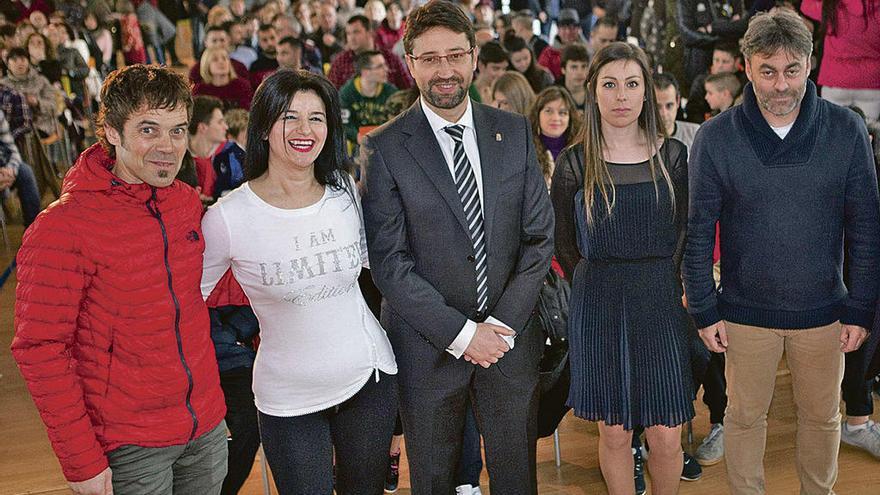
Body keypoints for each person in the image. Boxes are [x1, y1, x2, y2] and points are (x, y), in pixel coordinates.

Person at [682, 10, 880, 494]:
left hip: (826, 313)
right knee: (744, 419)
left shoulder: (847, 131)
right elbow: (698, 231)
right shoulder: (715, 138)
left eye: (792, 70)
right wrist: (705, 308)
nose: (780, 85)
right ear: (746, 66)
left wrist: (861, 307)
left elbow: (868, 231)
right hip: (744, 314)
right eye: (768, 71)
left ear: (811, 64)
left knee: (822, 418)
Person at [361, 1, 555, 492]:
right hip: (429, 346)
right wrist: (464, 335)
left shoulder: (512, 131)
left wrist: (500, 325)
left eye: (454, 55)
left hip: (509, 341)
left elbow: (538, 239)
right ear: (409, 64)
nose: (443, 70)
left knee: (516, 477)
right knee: (434, 480)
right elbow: (390, 262)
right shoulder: (383, 148)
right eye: (429, 58)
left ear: (473, 57)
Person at [11, 64, 228, 495]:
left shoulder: (185, 203)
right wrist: (80, 461)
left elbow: (202, 287)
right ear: (111, 131)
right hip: (128, 445)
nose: (167, 147)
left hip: (203, 427)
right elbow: (40, 350)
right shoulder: (62, 227)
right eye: (149, 130)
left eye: (178, 130)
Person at [201, 69, 398, 494]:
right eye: (290, 117)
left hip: (369, 380)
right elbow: (186, 302)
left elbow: (381, 268)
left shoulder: (345, 191)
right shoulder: (227, 218)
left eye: (317, 117)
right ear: (264, 126)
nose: (305, 130)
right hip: (287, 397)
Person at [550, 42, 692, 495]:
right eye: (610, 85)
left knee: (667, 433)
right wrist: (595, 279)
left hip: (659, 300)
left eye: (632, 84)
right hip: (599, 301)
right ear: (592, 92)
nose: (621, 96)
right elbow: (563, 241)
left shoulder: (672, 157)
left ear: (646, 92)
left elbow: (683, 233)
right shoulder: (574, 161)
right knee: (614, 431)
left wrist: (664, 283)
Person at [801, 0, 880, 122]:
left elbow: (806, 5)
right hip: (871, 83)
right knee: (867, 135)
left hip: (835, 81)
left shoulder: (831, 7)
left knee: (834, 134)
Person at [328, 14, 412, 89]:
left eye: (356, 32)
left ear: (370, 33)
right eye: (348, 34)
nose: (351, 38)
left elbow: (408, 89)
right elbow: (330, 94)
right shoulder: (340, 62)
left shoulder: (391, 58)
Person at [339, 50, 397, 157]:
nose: (386, 70)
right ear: (365, 72)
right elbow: (343, 124)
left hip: (385, 143)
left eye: (385, 65)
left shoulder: (391, 92)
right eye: (380, 66)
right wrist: (358, 137)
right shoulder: (347, 93)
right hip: (357, 145)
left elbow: (398, 122)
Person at [528, 86, 583, 188]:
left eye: (562, 113)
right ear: (537, 114)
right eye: (548, 111)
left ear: (570, 118)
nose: (555, 118)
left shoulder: (581, 150)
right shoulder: (526, 148)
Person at [0, 108, 41, 227]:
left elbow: (12, 149)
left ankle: (33, 234)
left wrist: (10, 170)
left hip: (3, 167)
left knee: (25, 171)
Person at [188, 95, 229, 200]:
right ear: (203, 127)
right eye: (220, 122)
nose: (226, 127)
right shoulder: (179, 158)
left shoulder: (231, 154)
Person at [193, 46, 254, 111]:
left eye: (224, 58)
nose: (221, 62)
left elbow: (248, 113)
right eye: (215, 59)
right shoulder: (200, 90)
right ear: (207, 65)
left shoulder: (242, 86)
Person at [653, 73, 701, 149]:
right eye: (657, 107)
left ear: (678, 101)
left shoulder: (695, 133)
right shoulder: (636, 140)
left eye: (669, 106)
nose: (664, 114)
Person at [473, 40, 508, 106]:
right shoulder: (469, 93)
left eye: (504, 69)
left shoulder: (506, 91)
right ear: (481, 66)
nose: (501, 74)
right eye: (495, 69)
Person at [556, 43, 589, 112]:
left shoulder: (595, 91)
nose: (580, 72)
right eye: (574, 67)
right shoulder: (553, 94)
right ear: (563, 69)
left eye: (584, 66)